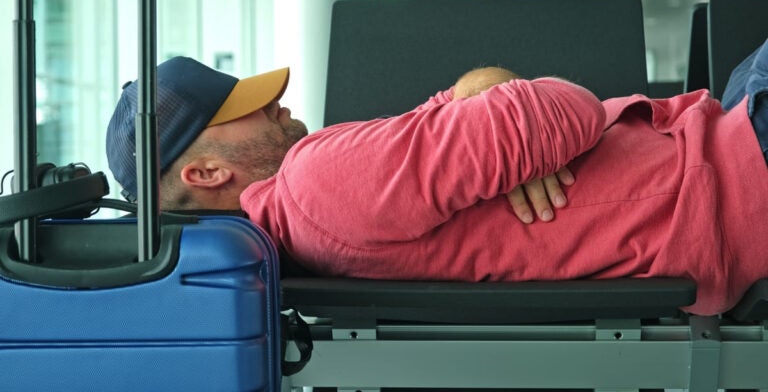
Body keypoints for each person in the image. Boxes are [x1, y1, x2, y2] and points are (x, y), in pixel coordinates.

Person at [107, 40, 768, 316]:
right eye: (241, 109)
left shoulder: (310, 212)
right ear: (206, 171)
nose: (274, 103)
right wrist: (508, 113)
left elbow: (458, 105)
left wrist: (486, 95)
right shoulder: (316, 183)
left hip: (710, 151)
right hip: (732, 170)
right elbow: (568, 110)